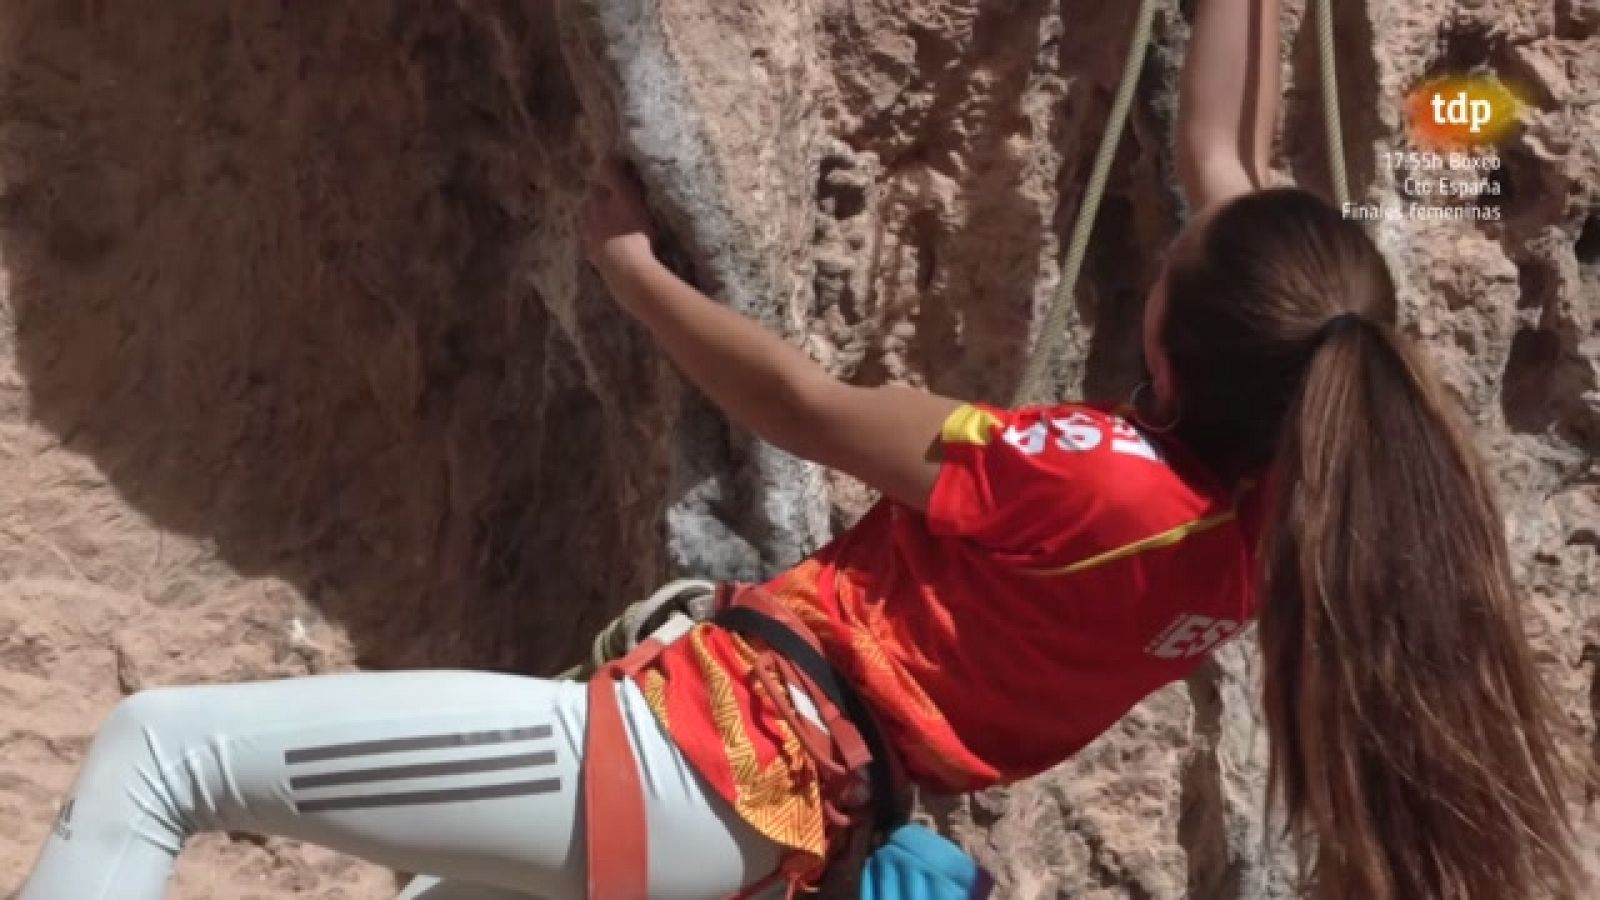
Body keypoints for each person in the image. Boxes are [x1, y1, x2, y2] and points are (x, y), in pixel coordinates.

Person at [16, 0, 1588, 897]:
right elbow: (1220, 161)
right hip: (787, 830)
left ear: (1174, 341)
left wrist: (632, 273)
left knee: (164, 753)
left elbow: (803, 409)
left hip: (705, 754)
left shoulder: (1087, 477)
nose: (1179, 244)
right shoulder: (1259, 536)